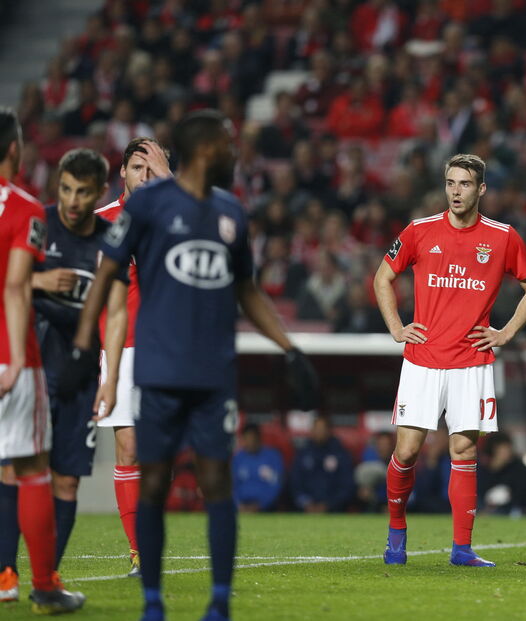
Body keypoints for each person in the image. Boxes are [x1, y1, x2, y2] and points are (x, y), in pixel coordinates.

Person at [67, 109, 318, 621]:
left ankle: (219, 601)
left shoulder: (230, 211)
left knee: (215, 477)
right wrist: (82, 351)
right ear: (204, 150)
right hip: (148, 357)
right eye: (224, 142)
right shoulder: (139, 209)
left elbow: (246, 290)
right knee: (148, 470)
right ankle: (151, 597)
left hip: (211, 364)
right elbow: (104, 280)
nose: (232, 150)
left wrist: (289, 348)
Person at [373, 153, 526, 567]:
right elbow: (382, 277)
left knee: (464, 452)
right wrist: (396, 327)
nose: (456, 191)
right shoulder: (419, 230)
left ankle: (462, 549)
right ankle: (396, 535)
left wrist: (506, 333)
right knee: (407, 452)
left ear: (481, 189)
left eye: (465, 184)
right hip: (423, 359)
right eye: (450, 183)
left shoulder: (502, 237)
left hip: (471, 361)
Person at [25, 149, 128, 574]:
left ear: (100, 191)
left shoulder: (112, 240)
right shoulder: (38, 223)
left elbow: (117, 312)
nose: (72, 200)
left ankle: (46, 578)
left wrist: (110, 378)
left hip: (82, 372)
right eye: (66, 189)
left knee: (66, 480)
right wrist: (39, 279)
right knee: (18, 472)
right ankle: (7, 572)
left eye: (83, 192)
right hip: (31, 366)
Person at [0, 108, 85, 613]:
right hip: (11, 357)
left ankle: (3, 578)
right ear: (14, 150)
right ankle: (45, 587)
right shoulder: (25, 209)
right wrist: (14, 359)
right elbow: (15, 288)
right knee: (32, 468)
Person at [93, 136, 172, 577]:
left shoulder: (173, 218)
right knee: (129, 448)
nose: (144, 175)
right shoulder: (100, 222)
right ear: (121, 172)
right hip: (120, 348)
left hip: (168, 348)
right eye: (137, 167)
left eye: (152, 168)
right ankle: (139, 551)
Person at [289, 416, 355, 513]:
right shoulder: (303, 453)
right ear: (312, 431)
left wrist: (329, 504)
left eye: (322, 429)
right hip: (306, 510)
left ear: (329, 431)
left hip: (334, 511)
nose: (319, 432)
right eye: (317, 429)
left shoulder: (341, 454)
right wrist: (305, 503)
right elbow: (295, 483)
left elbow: (347, 486)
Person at [232, 423, 285, 512]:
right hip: (241, 508)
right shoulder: (238, 458)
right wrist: (238, 505)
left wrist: (261, 505)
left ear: (259, 438)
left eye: (252, 438)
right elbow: (232, 486)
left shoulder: (272, 456)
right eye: (247, 439)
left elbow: (277, 485)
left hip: (267, 509)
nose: (250, 442)